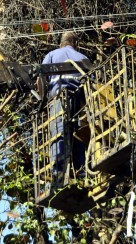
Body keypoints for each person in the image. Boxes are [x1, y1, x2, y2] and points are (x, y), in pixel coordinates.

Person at [41, 31, 89, 180]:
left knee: (59, 133)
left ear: (61, 43)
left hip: (60, 98)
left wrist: (43, 99)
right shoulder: (83, 58)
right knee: (80, 135)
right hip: (81, 101)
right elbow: (92, 81)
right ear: (76, 44)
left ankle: (58, 171)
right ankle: (81, 171)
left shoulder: (52, 55)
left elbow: (41, 77)